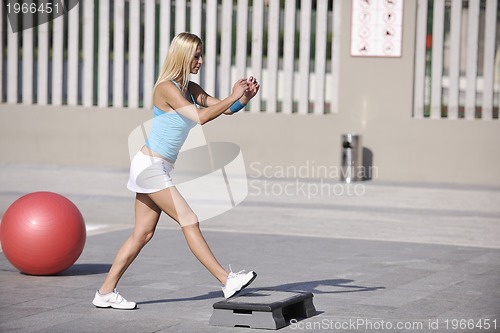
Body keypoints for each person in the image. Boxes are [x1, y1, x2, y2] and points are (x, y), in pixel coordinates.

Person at [92, 32, 260, 310]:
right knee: (189, 220)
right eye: (196, 55)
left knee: (142, 235)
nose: (201, 61)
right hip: (149, 167)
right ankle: (226, 279)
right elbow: (200, 117)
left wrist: (243, 99)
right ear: (182, 56)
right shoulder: (166, 88)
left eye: (201, 54)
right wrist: (233, 94)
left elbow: (224, 110)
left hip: (157, 167)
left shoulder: (189, 88)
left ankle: (105, 292)